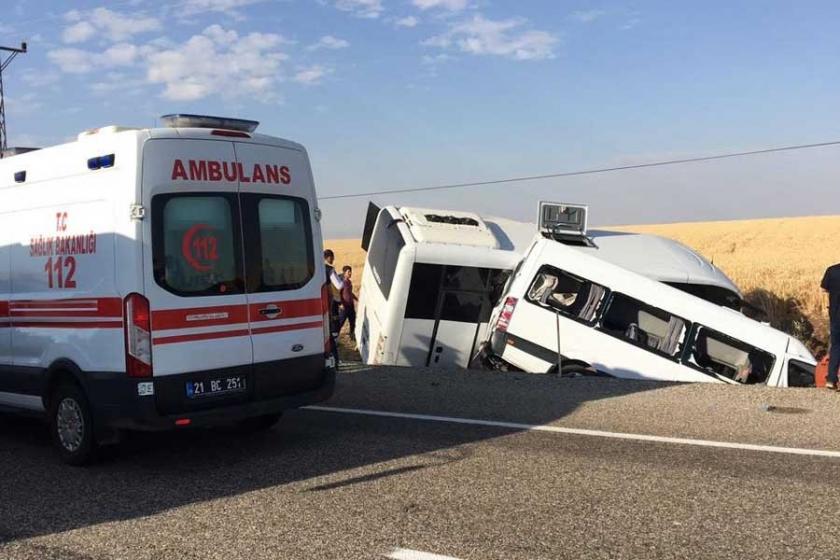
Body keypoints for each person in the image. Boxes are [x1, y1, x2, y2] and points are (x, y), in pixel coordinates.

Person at [821, 263, 840, 389]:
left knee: (836, 347)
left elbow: (824, 289)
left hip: (835, 315)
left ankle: (831, 379)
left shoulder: (832, 270)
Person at [324, 249, 344, 365]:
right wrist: (341, 277)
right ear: (329, 257)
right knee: (333, 329)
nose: (333, 259)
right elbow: (339, 285)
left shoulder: (318, 268)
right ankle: (335, 360)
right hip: (331, 302)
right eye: (333, 257)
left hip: (319, 301)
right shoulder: (330, 270)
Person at [338, 265, 358, 339]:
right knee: (340, 322)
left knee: (352, 321)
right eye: (348, 272)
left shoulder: (349, 282)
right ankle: (335, 337)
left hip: (351, 305)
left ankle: (352, 336)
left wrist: (356, 298)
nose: (350, 273)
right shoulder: (341, 283)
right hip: (344, 306)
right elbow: (338, 294)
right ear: (344, 273)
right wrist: (340, 304)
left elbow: (350, 292)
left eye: (350, 272)